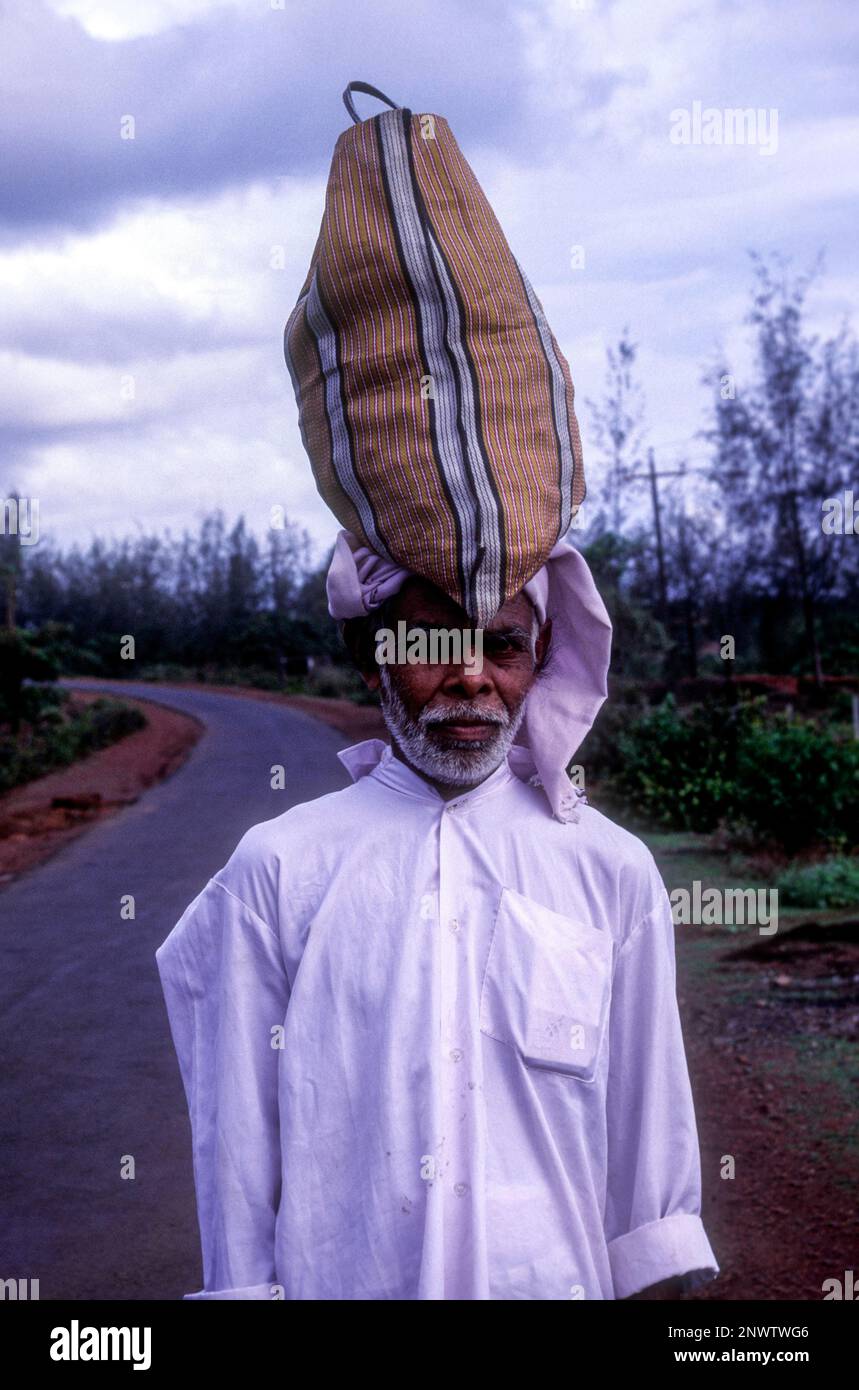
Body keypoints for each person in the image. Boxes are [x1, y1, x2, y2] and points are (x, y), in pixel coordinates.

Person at [155, 529, 720, 1301]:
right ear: (371, 655)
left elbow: (646, 1126)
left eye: (501, 647)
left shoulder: (609, 869)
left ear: (540, 656)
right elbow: (237, 1142)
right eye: (432, 644)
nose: (469, 678)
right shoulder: (279, 868)